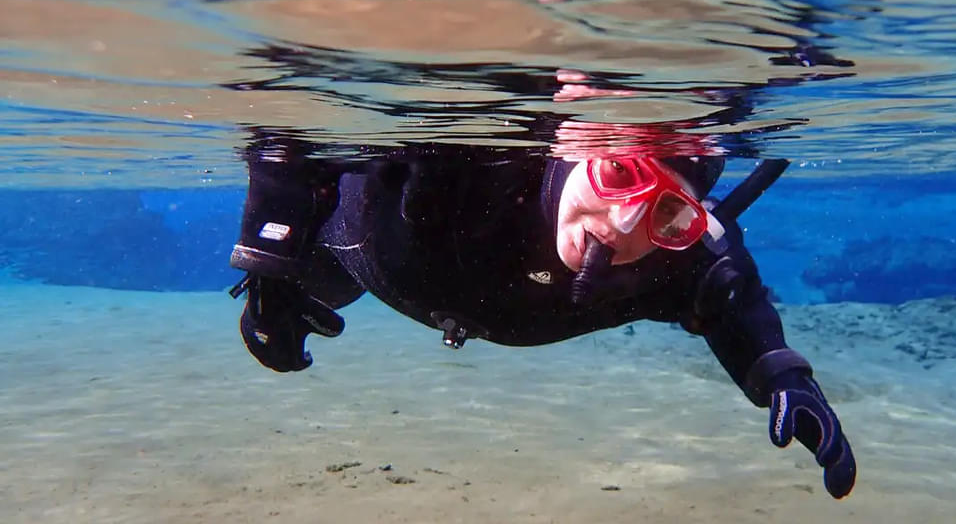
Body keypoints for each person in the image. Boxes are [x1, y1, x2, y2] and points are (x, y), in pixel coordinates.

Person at [226, 132, 858, 499]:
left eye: (669, 214)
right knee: (319, 288)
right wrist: (270, 269)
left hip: (427, 283)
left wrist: (782, 377)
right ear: (577, 147)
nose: (626, 224)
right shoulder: (478, 160)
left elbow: (729, 294)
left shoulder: (674, 258)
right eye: (617, 174)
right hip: (365, 255)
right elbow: (291, 147)